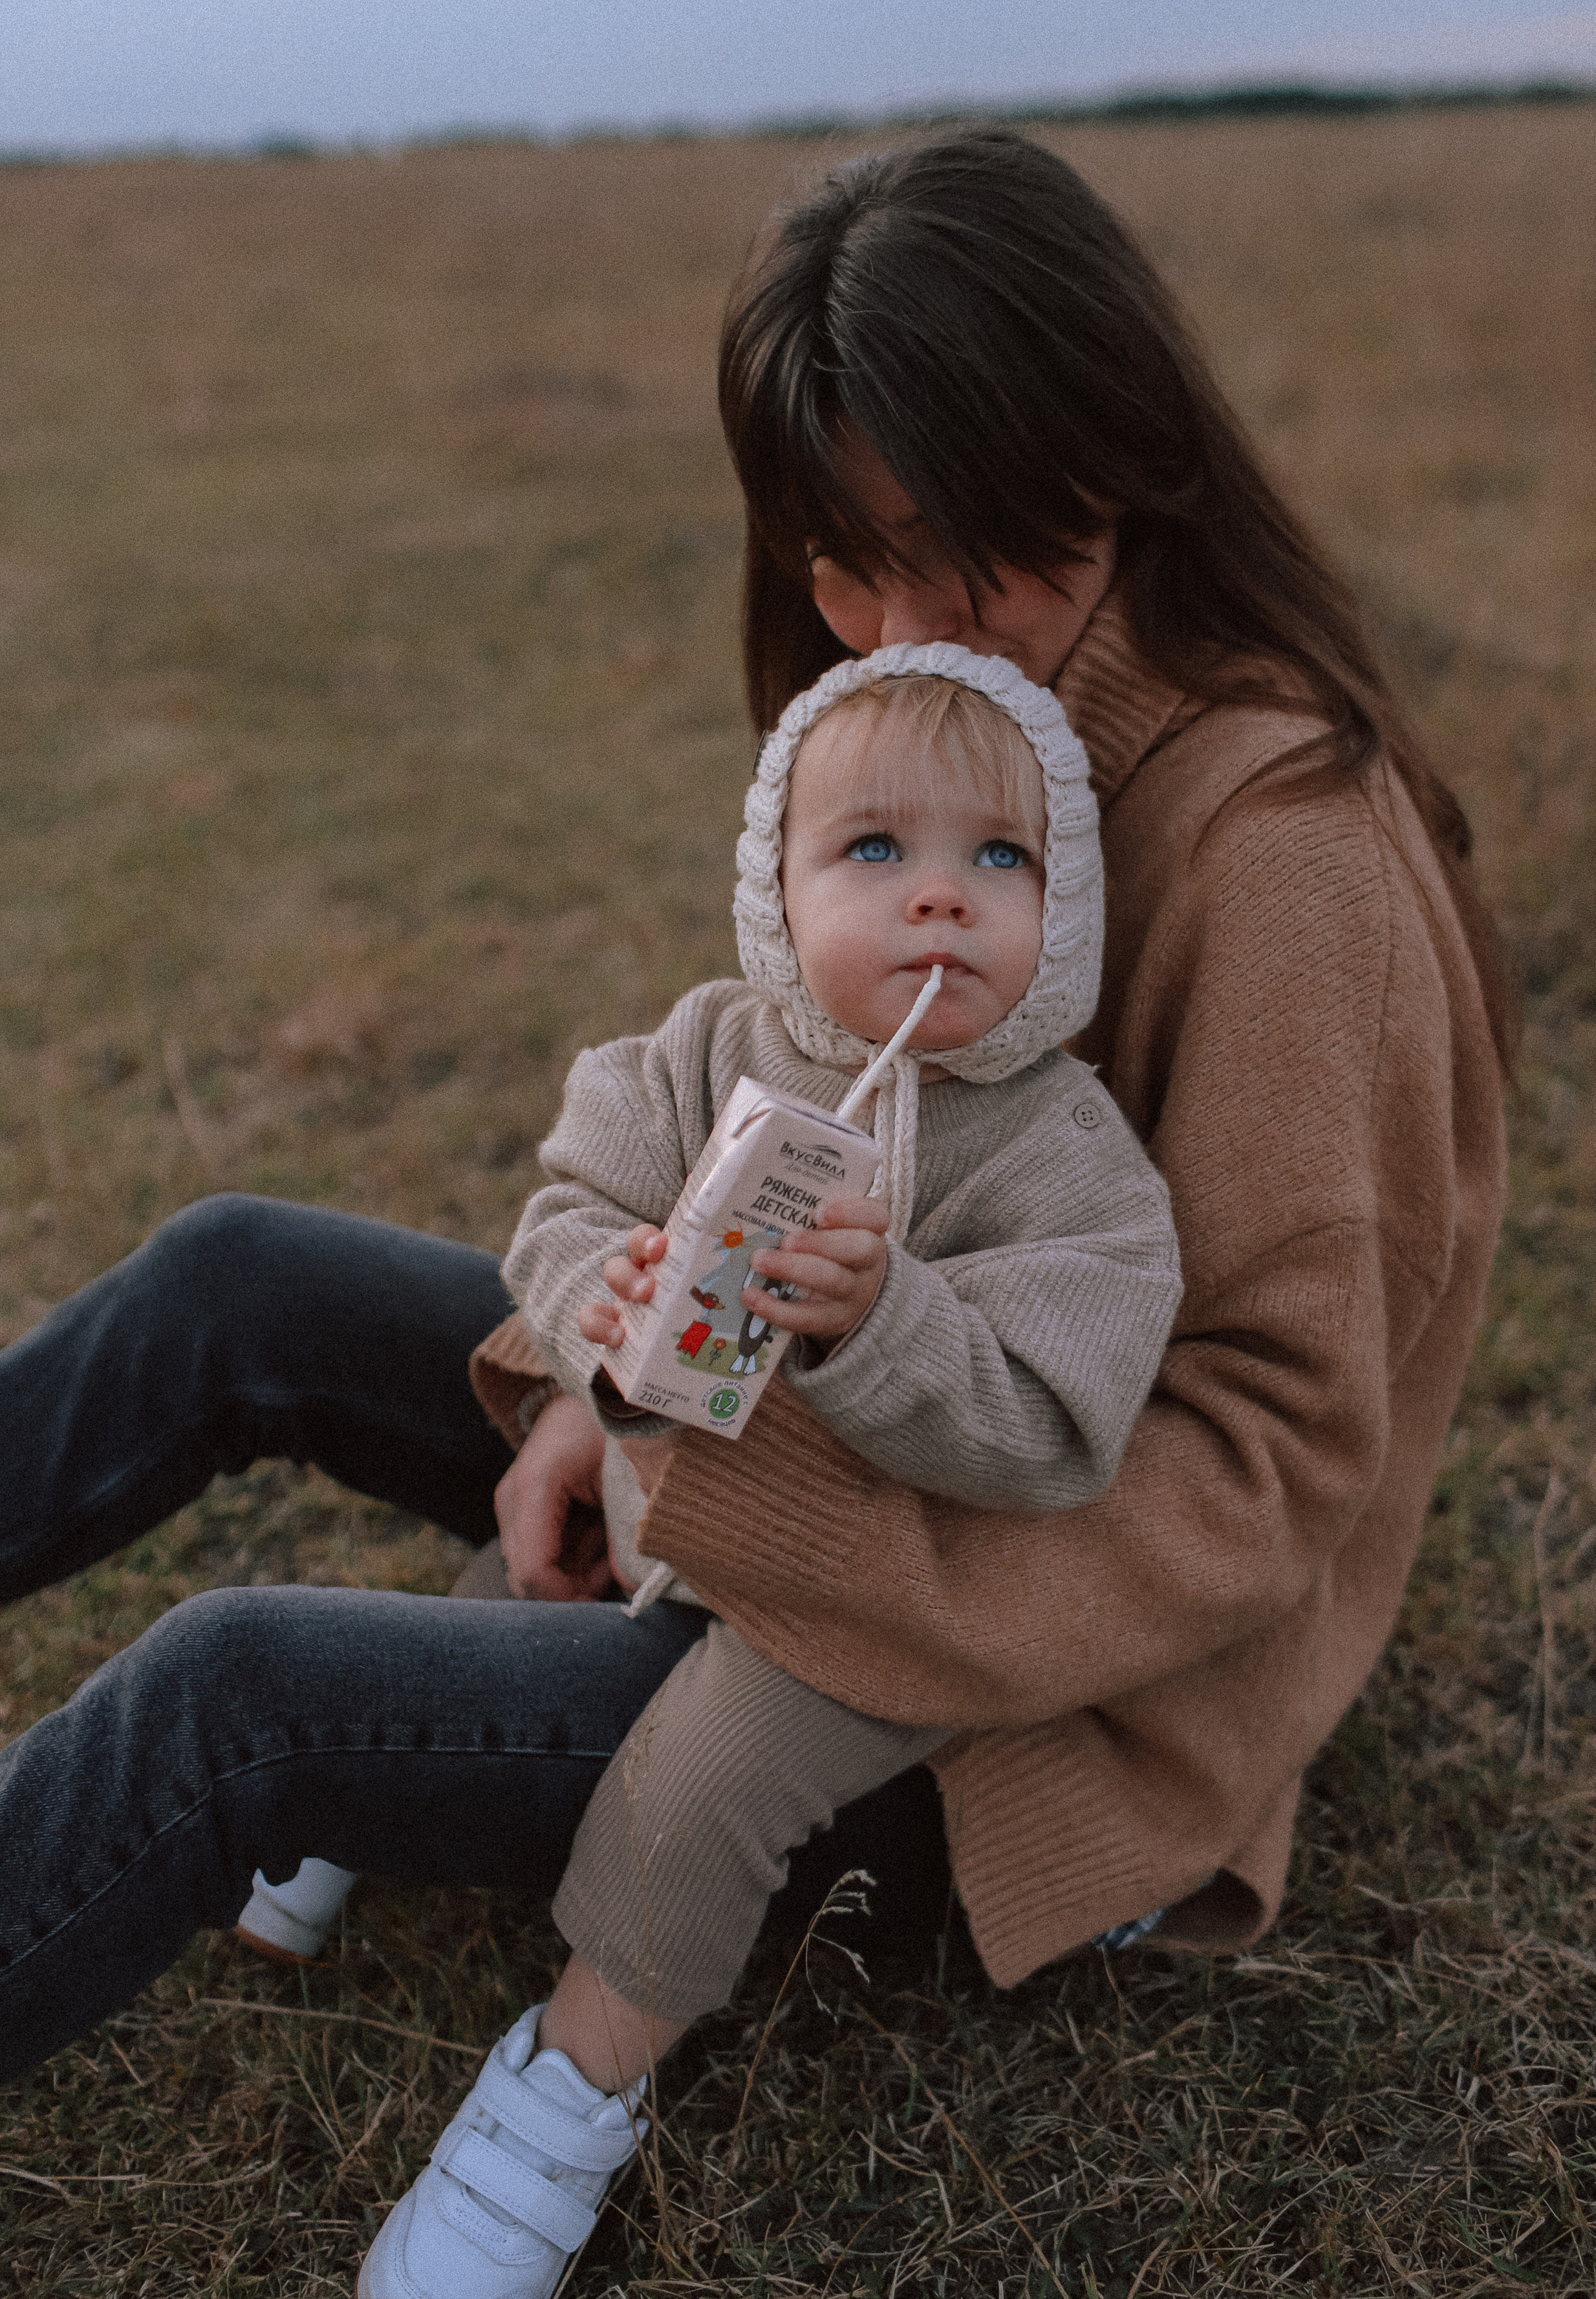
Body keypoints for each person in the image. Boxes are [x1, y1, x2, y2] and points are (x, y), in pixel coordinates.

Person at [0, 127, 1509, 2285]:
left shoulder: (1286, 859)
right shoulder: (961, 739)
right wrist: (583, 1394)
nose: (904, 634)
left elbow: (1264, 1478)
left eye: (965, 550)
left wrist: (746, 1502)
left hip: (983, 1718)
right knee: (236, 1273)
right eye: (846, 565)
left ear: (1121, 454)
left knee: (234, 1695)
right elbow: (731, 1139)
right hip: (768, 1472)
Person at [353, 648, 1182, 2295]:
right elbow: (564, 1206)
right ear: (776, 886)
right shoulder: (703, 1050)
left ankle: (559, 2109)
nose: (938, 902)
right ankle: (330, 1806)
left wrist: (885, 1326)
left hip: (885, 1591)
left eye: (996, 860)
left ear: (1063, 913)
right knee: (512, 1587)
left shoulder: (1067, 1160)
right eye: (872, 852)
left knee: (703, 1782)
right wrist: (606, 1297)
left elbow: (1047, 1429)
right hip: (686, 1512)